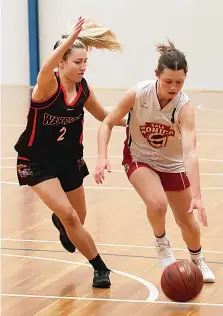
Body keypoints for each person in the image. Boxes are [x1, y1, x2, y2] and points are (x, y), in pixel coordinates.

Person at [14, 16, 125, 288]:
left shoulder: (84, 89)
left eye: (86, 62)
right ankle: (100, 268)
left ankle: (61, 221)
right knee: (72, 216)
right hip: (37, 162)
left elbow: (104, 116)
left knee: (78, 217)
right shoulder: (47, 86)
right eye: (77, 61)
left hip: (69, 160)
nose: (83, 67)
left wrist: (138, 119)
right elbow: (44, 69)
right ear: (61, 62)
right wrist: (69, 41)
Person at [94, 40, 215, 283]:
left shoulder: (184, 108)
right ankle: (162, 243)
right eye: (168, 81)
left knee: (187, 222)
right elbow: (107, 121)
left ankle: (198, 259)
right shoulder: (139, 93)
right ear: (157, 74)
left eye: (179, 82)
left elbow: (190, 153)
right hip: (139, 158)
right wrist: (101, 157)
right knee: (158, 204)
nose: (173, 87)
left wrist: (198, 196)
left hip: (172, 164)